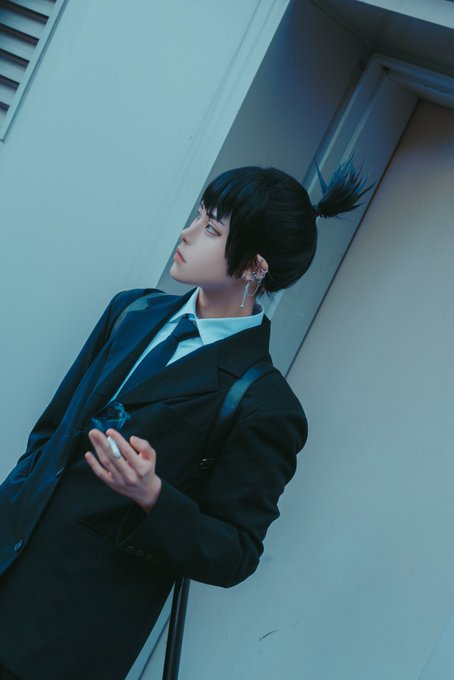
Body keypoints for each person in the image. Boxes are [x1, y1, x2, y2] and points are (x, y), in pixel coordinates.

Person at [0, 163, 367, 680]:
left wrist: (153, 494)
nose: (187, 233)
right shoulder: (131, 311)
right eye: (198, 216)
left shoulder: (265, 404)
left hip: (64, 638)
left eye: (211, 229)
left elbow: (235, 553)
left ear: (254, 267)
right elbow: (50, 433)